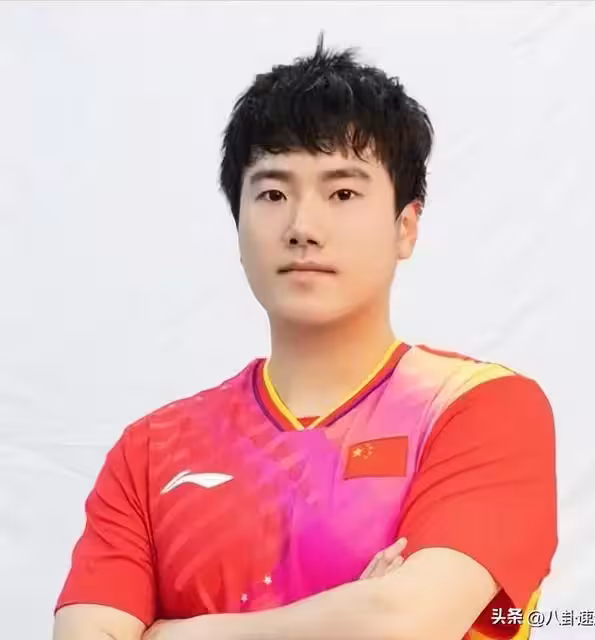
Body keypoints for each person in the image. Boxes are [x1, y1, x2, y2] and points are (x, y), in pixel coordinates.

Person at [52, 36, 557, 640]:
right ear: (237, 225)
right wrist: (350, 613)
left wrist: (181, 633)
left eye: (343, 193)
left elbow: (405, 623)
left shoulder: (477, 408)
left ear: (406, 226)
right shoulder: (151, 450)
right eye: (272, 194)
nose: (302, 227)